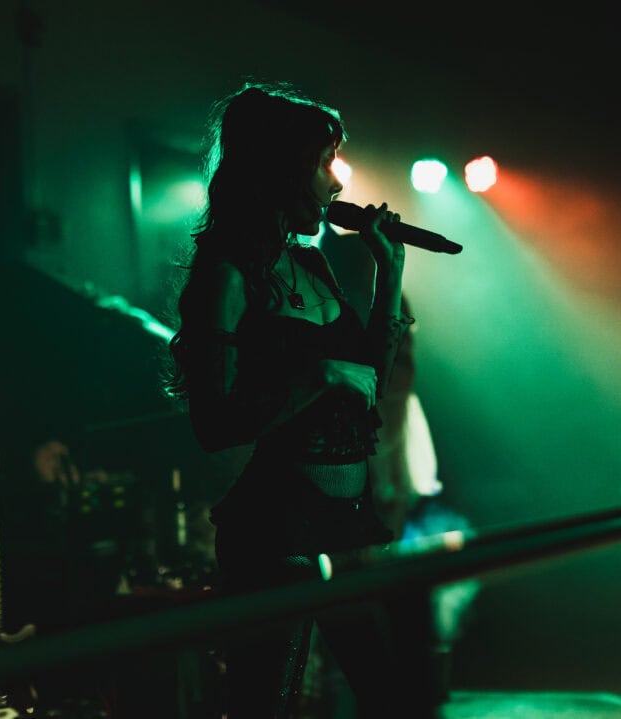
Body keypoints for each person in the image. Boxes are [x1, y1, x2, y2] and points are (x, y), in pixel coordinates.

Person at [165, 81, 426, 718]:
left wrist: (389, 274)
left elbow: (367, 384)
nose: (337, 184)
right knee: (268, 707)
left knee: (389, 697)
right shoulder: (225, 276)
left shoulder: (311, 264)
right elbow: (214, 425)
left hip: (343, 524)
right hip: (275, 529)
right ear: (281, 168)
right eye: (323, 163)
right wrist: (319, 378)